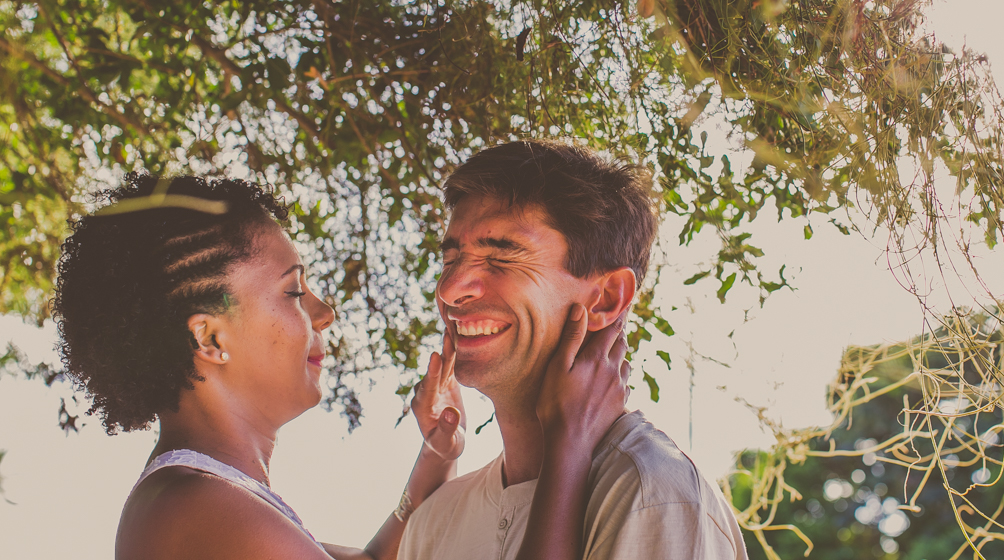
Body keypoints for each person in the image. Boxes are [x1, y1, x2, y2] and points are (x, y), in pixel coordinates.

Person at [53, 174, 629, 560]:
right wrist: (569, 441)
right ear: (209, 337)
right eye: (293, 292)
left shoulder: (206, 500)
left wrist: (434, 458)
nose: (323, 313)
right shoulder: (201, 509)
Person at [397, 140, 750, 560]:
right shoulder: (435, 521)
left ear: (604, 299)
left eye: (501, 258)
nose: (449, 289)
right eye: (451, 259)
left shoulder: (654, 493)